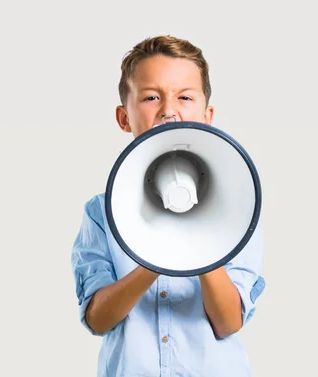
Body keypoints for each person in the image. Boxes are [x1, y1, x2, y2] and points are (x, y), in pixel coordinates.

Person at [71, 35, 266, 377]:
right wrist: (156, 255)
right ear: (123, 117)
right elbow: (99, 319)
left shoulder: (239, 207)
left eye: (185, 97)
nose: (168, 110)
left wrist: (198, 240)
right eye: (150, 97)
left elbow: (228, 322)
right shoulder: (101, 213)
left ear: (207, 115)